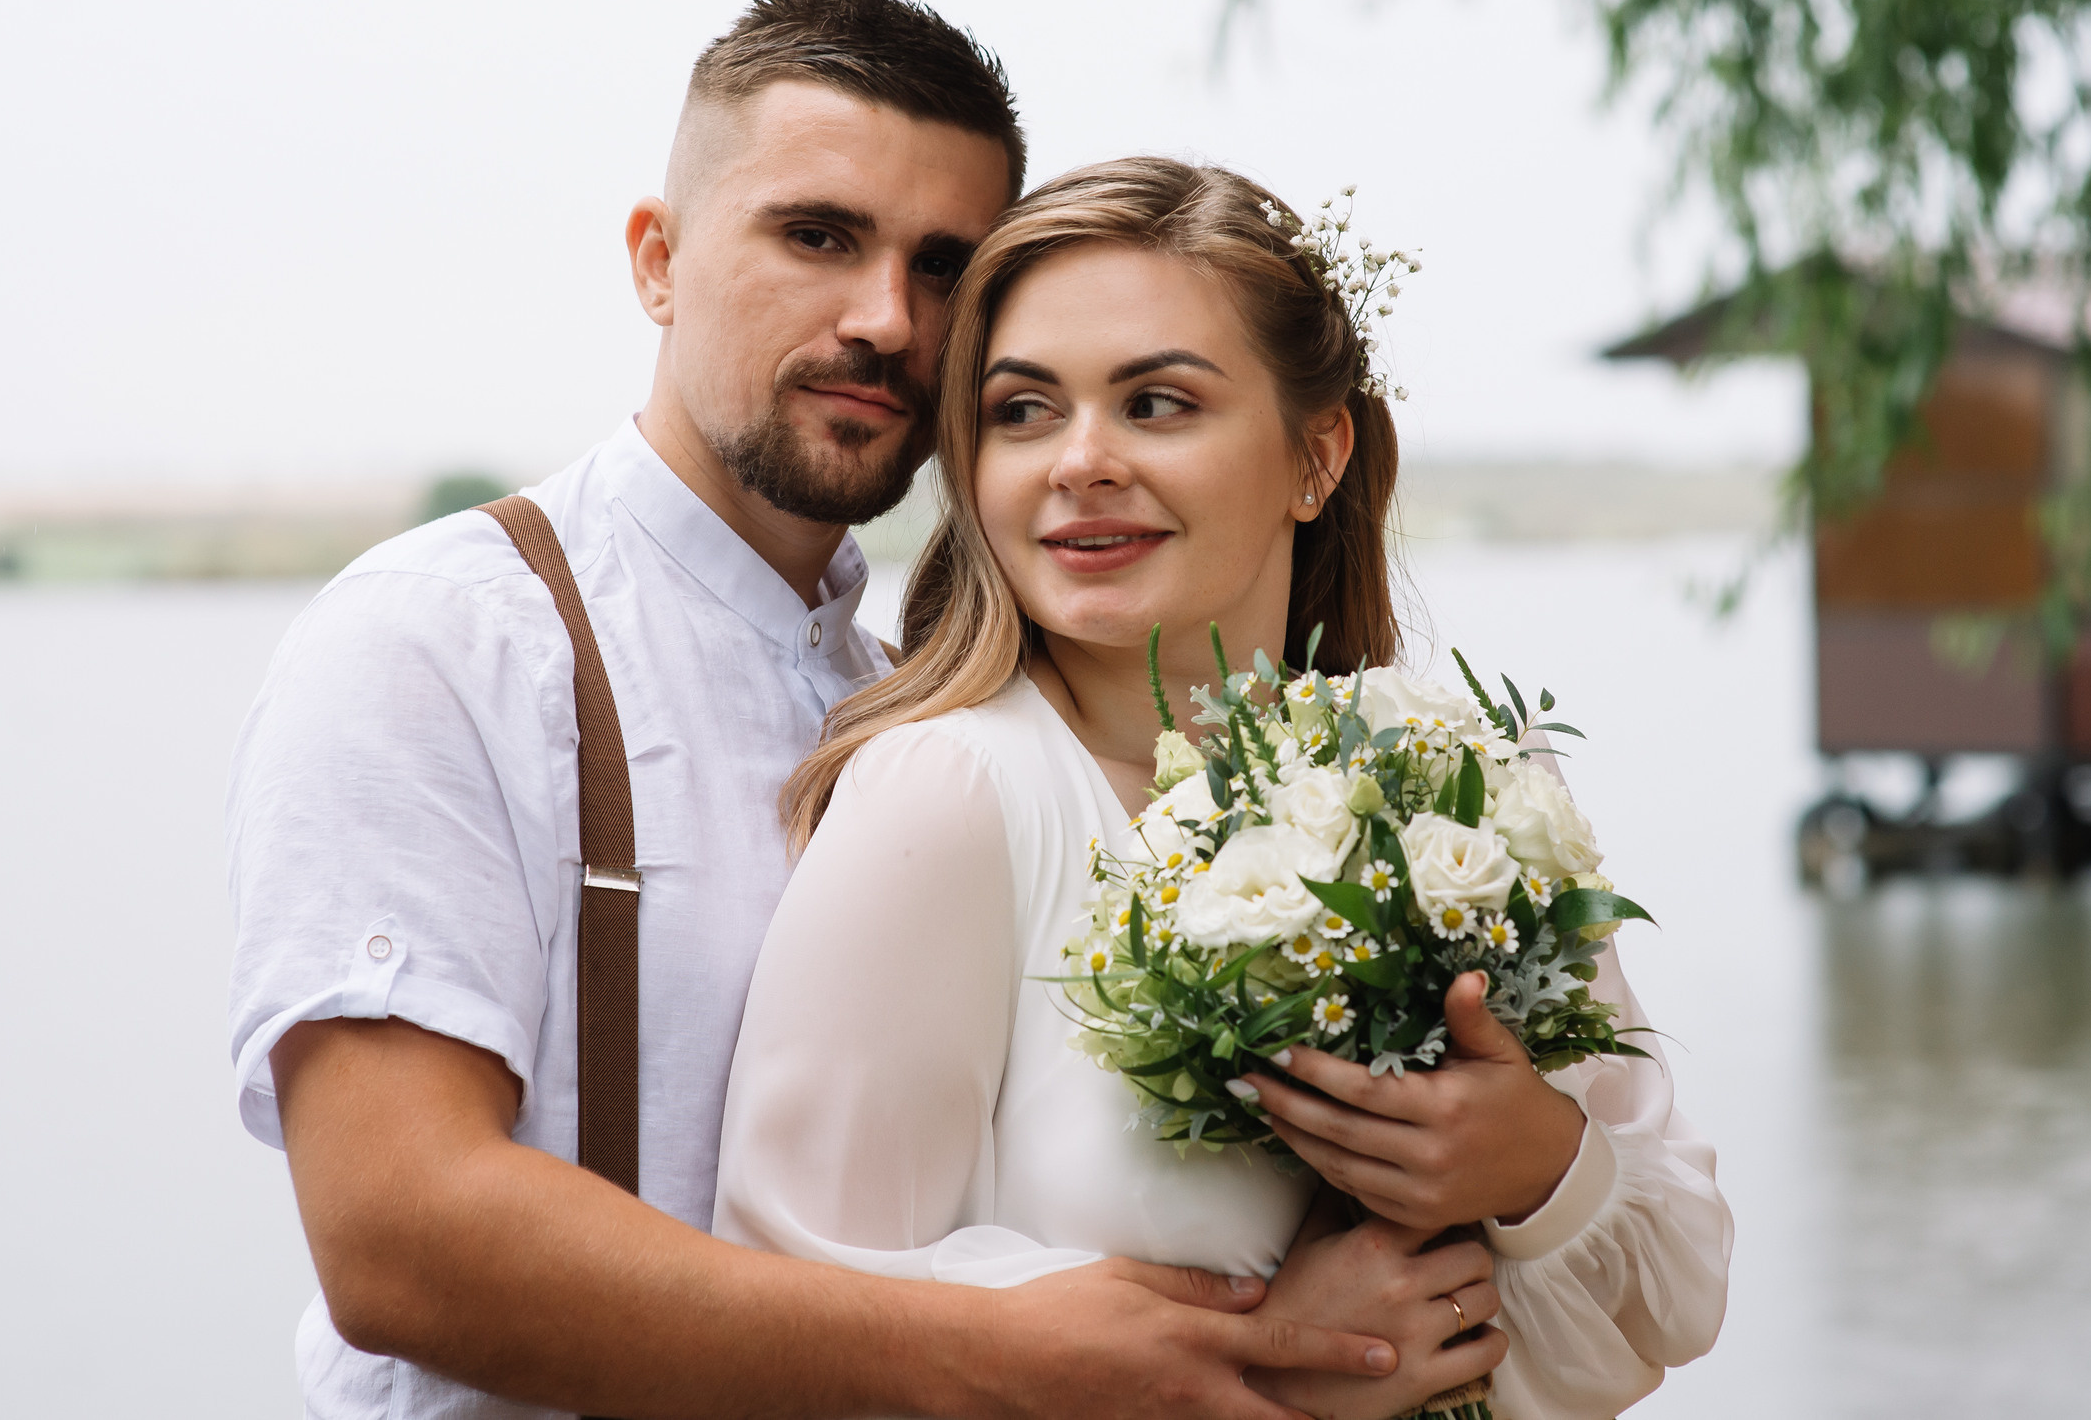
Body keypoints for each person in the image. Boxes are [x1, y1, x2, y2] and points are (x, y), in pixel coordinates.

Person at [225, 0, 1422, 1420]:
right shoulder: (442, 645)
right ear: (657, 261)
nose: (882, 320)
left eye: (942, 270)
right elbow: (403, 1241)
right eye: (816, 237)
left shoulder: (940, 702)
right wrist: (1021, 1352)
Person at [715, 158, 1734, 1419]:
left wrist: (1537, 1164)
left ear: (1316, 454)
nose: (1079, 461)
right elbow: (803, 1340)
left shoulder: (1460, 797)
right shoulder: (948, 798)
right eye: (1024, 411)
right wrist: (1260, 1372)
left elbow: (1673, 1302)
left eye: (1155, 403)